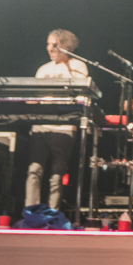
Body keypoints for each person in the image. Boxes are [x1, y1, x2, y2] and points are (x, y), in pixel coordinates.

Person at [25, 29, 90, 211]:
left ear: (65, 46)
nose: (49, 48)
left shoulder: (78, 66)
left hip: (64, 128)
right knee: (34, 171)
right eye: (48, 44)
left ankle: (52, 214)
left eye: (54, 44)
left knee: (56, 176)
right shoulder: (43, 69)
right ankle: (31, 213)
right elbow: (33, 99)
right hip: (40, 126)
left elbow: (80, 96)